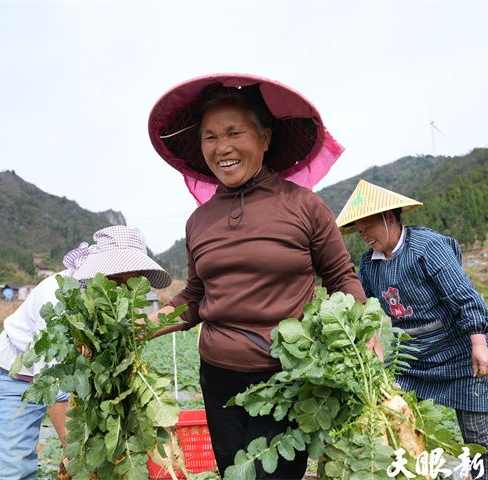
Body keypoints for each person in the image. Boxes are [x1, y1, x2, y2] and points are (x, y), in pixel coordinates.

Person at [147, 73, 382, 479]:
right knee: (234, 473)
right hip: (218, 379)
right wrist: (144, 325)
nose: (222, 147)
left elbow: (341, 275)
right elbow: (196, 298)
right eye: (210, 137)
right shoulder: (199, 221)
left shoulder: (304, 206)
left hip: (288, 377)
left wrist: (364, 330)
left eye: (234, 132)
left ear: (265, 137)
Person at [335, 179, 488, 480]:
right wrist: (370, 335)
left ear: (388, 217)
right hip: (415, 359)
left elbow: (464, 296)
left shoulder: (428, 248)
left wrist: (479, 343)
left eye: (366, 226)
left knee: (475, 433)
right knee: (399, 417)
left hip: (460, 350)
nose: (362, 235)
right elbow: (367, 308)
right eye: (357, 230)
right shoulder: (369, 265)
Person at [0, 226, 172, 480]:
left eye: (131, 283)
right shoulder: (58, 297)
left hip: (78, 378)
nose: (124, 291)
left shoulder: (116, 304)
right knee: (15, 468)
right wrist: (78, 454)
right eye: (117, 281)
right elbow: (54, 382)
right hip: (18, 375)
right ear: (98, 271)